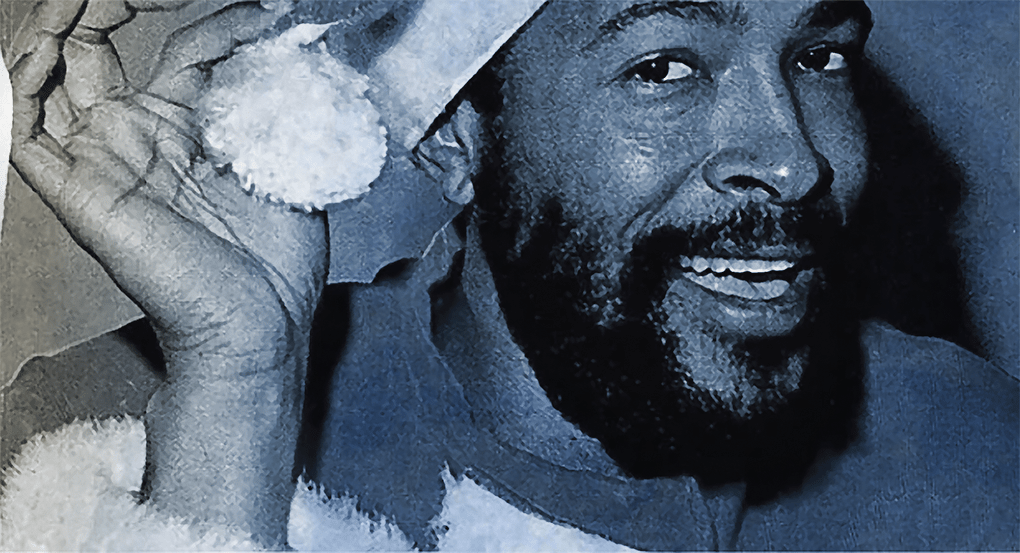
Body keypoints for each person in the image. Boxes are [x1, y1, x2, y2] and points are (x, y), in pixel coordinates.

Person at [1, 0, 1016, 550]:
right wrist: (239, 392)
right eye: (664, 66)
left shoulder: (970, 455)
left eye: (820, 55)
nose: (795, 160)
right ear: (454, 136)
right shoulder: (86, 435)